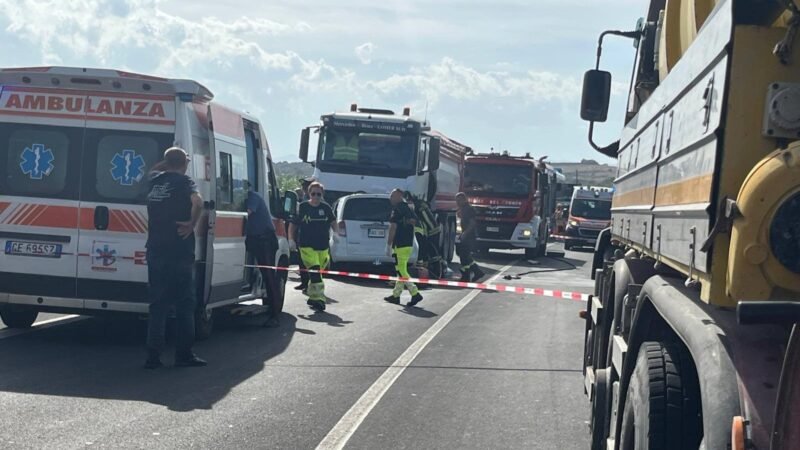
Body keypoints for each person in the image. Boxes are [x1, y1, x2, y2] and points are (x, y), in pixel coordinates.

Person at [144, 147, 206, 369]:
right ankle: (184, 354)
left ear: (166, 161)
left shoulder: (155, 181)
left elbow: (153, 169)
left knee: (157, 305)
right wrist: (192, 224)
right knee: (184, 303)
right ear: (185, 163)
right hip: (179, 250)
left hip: (155, 249)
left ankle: (153, 356)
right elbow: (198, 202)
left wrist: (167, 162)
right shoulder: (184, 182)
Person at [288, 182, 338, 311]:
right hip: (306, 245)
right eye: (313, 193)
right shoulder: (303, 207)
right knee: (315, 271)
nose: (316, 196)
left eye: (318, 194)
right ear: (308, 194)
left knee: (317, 273)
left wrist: (336, 234)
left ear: (322, 195)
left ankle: (312, 296)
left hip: (323, 245)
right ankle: (320, 299)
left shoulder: (326, 208)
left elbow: (333, 222)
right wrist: (291, 240)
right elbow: (293, 224)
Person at [244, 181, 282, 328]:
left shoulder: (253, 197)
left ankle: (274, 314)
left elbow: (248, 212)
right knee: (265, 274)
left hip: (264, 240)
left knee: (269, 276)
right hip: (256, 239)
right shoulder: (250, 197)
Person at [385, 189, 424, 306]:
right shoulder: (408, 208)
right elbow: (414, 222)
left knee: (401, 270)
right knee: (400, 270)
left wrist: (388, 245)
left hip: (400, 244)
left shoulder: (397, 210)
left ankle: (415, 293)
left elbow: (393, 228)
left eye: (392, 196)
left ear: (398, 196)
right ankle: (396, 295)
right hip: (408, 243)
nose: (390, 199)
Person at [456, 192, 485, 282]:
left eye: (459, 200)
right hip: (467, 235)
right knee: (464, 255)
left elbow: (472, 223)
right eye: (456, 200)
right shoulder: (464, 209)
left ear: (464, 199)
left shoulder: (468, 209)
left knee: (464, 255)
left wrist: (465, 234)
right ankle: (476, 272)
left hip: (469, 236)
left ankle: (467, 275)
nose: (457, 202)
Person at [294, 177, 314, 293]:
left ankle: (310, 284)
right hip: (302, 235)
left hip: (313, 237)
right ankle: (304, 282)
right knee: (302, 261)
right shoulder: (303, 199)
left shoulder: (315, 200)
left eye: (305, 186)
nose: (303, 188)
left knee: (311, 263)